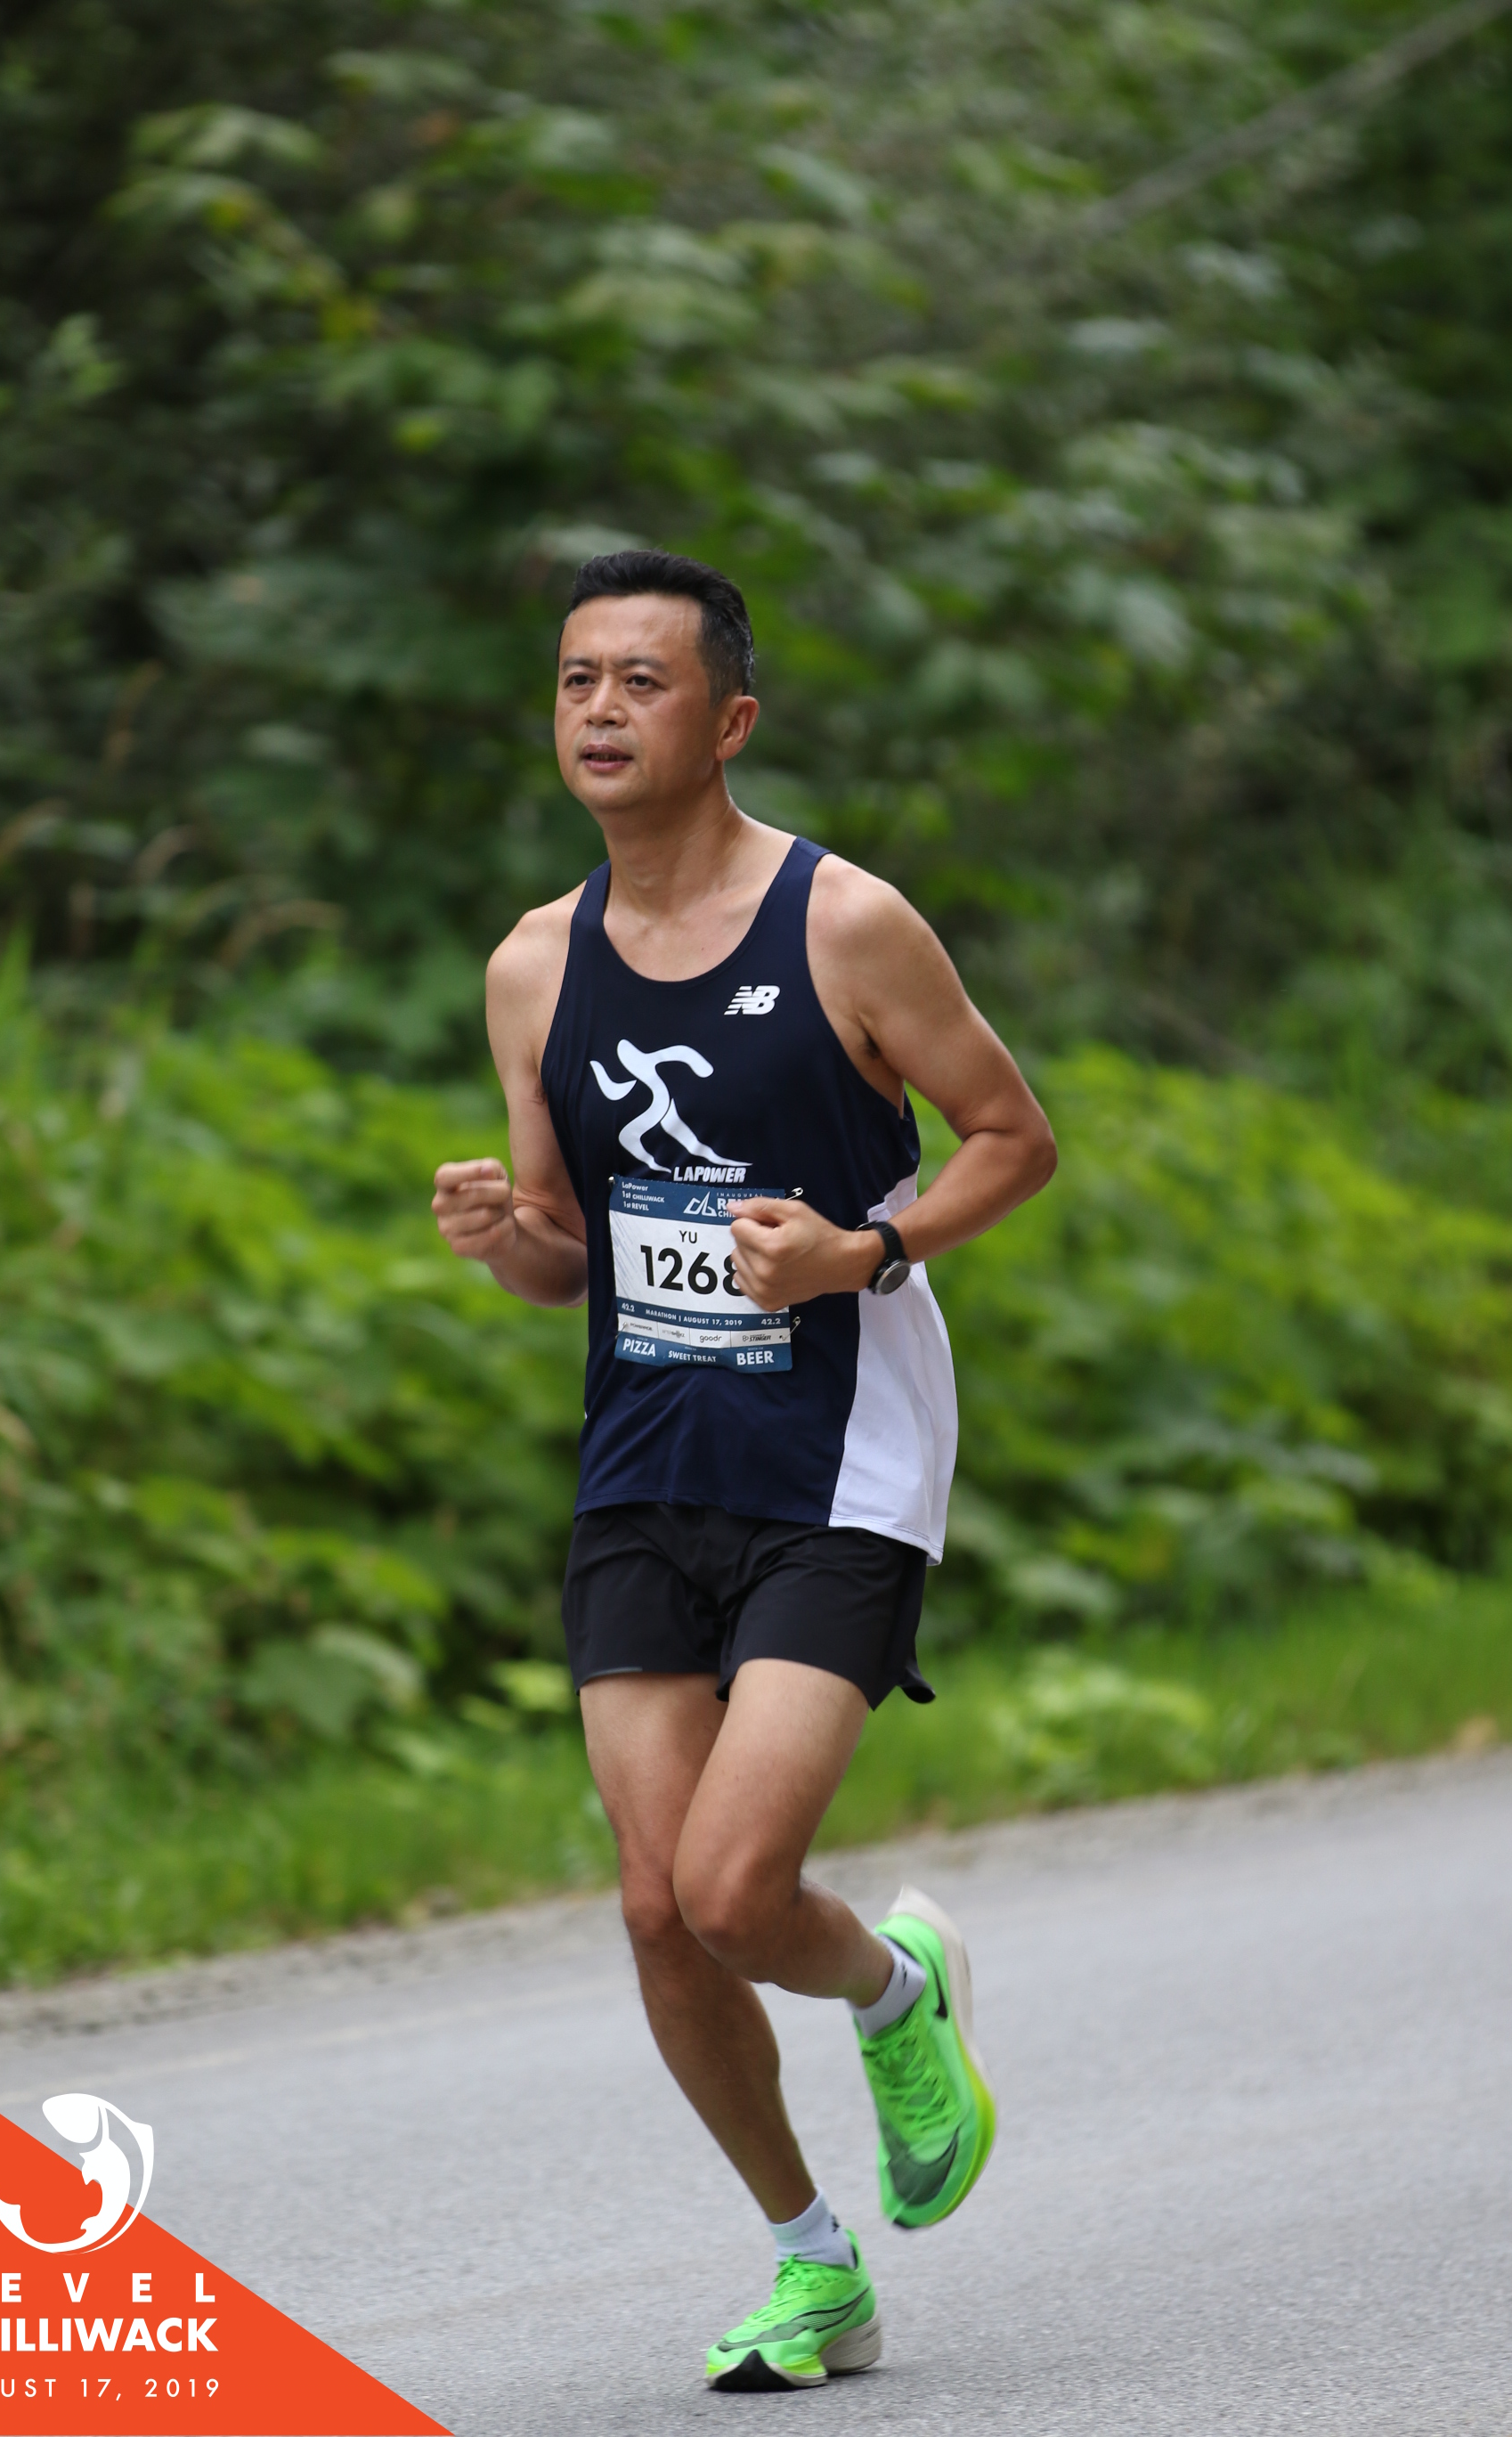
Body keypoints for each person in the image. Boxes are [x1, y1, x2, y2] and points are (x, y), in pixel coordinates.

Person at [432, 550, 1056, 2391]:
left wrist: (862, 1252)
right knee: (655, 1907)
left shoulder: (846, 923)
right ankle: (812, 2265)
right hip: (643, 1460)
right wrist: (511, 1240)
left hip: (840, 1453)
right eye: (577, 680)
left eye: (643, 680)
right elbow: (570, 1247)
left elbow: (1011, 1137)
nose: (602, 709)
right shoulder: (534, 965)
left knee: (729, 1888)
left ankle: (893, 1989)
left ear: (732, 721)